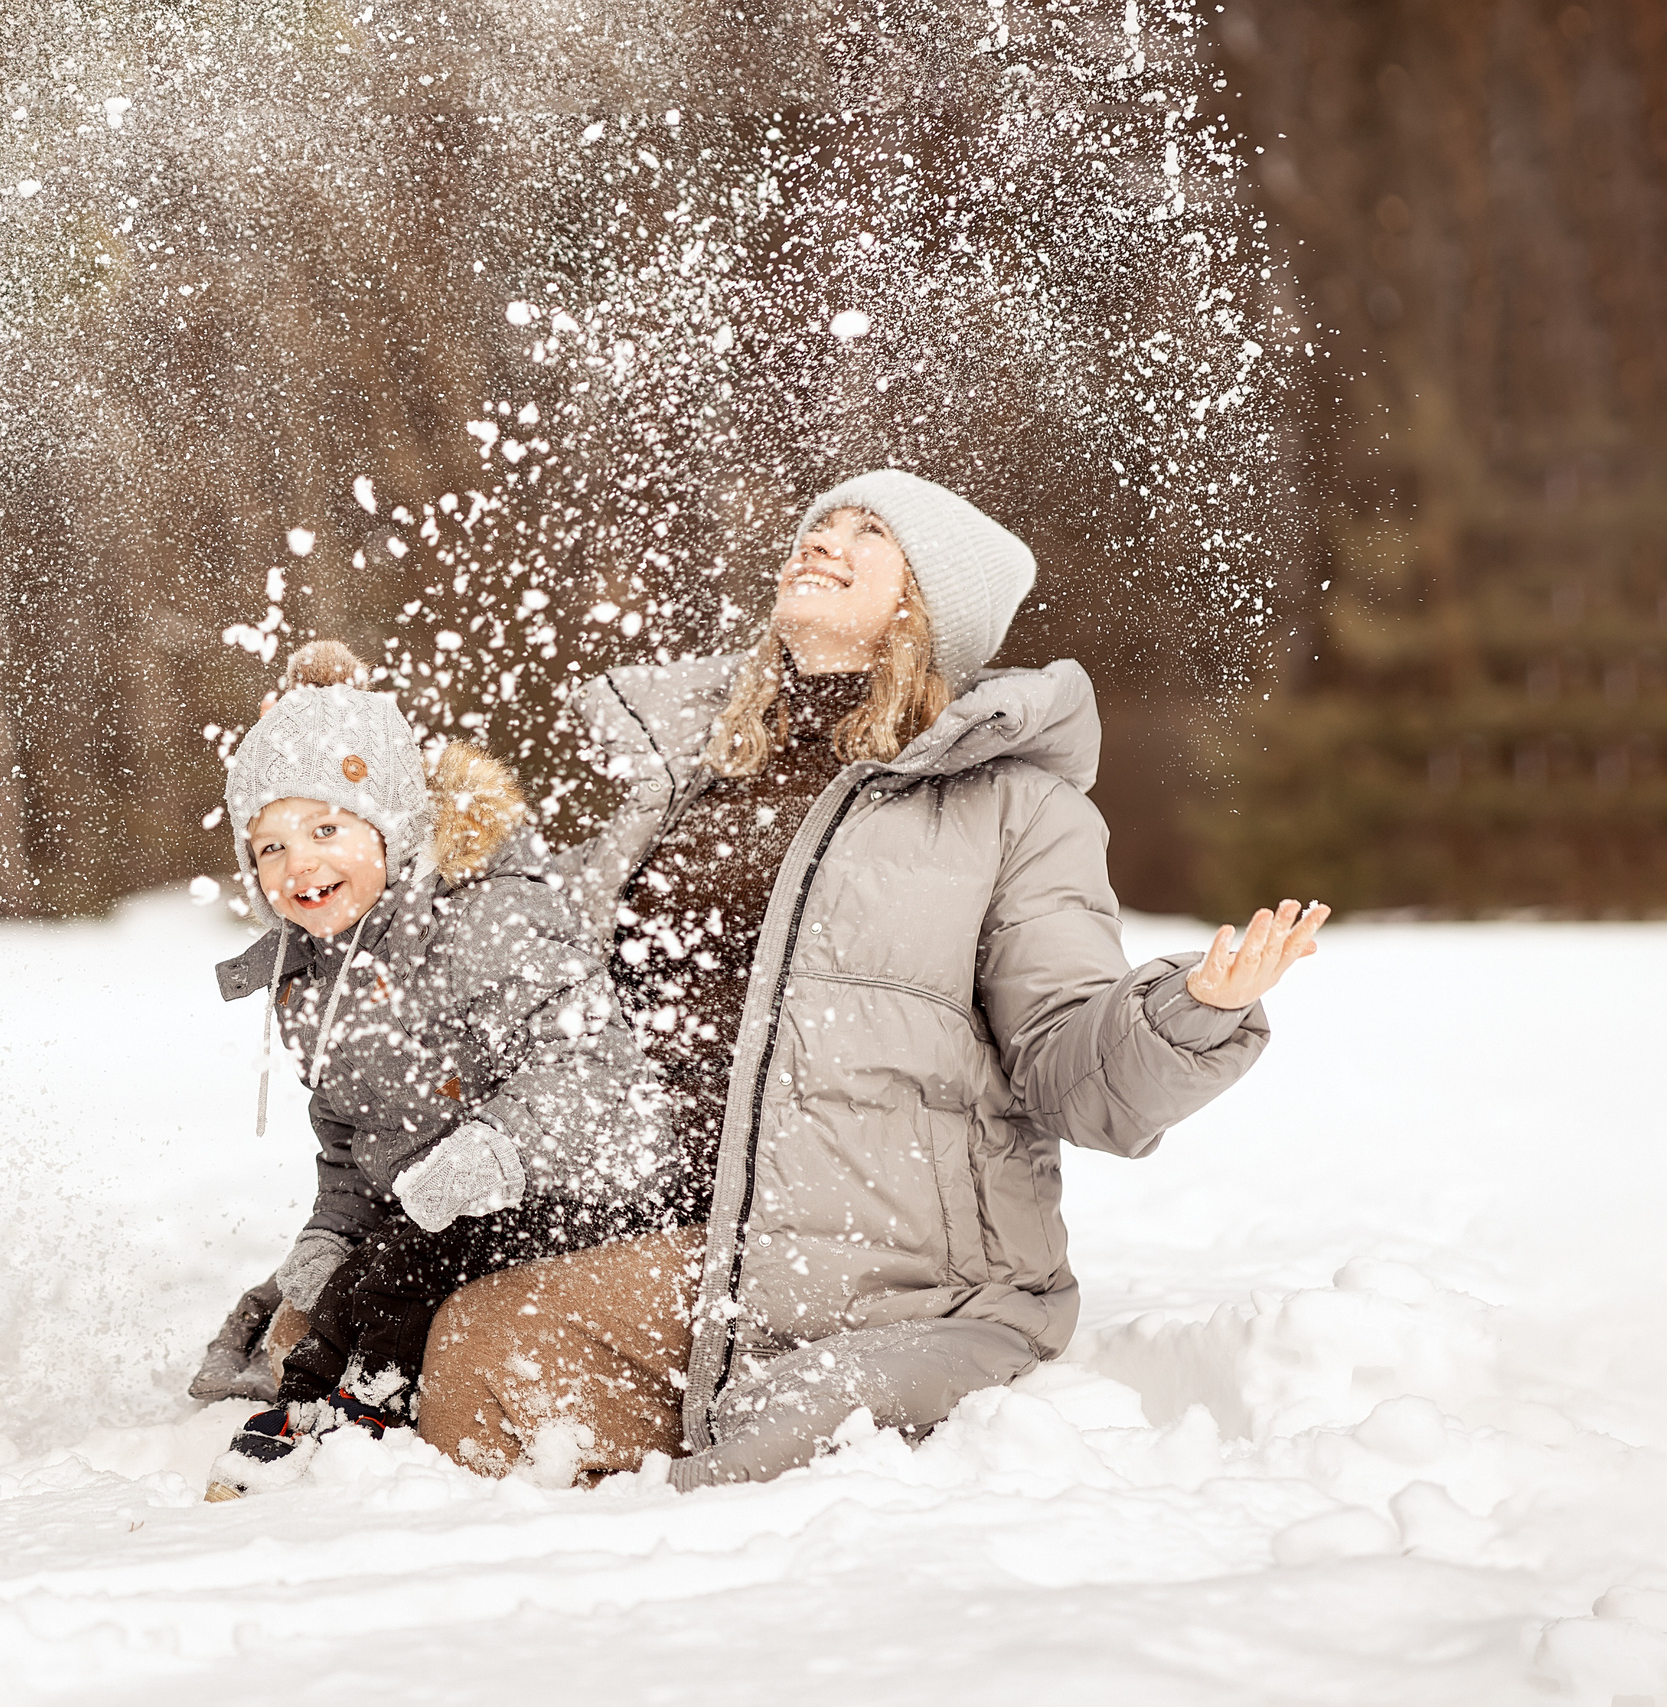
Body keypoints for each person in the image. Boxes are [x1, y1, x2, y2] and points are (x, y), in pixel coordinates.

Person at [412, 468, 1328, 1488]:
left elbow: (1067, 1063)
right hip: (669, 1215)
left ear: (925, 604)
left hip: (877, 1252)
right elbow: (553, 986)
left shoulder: (1013, 808)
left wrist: (1188, 1013)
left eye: (868, 535)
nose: (823, 541)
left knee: (494, 1348)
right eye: (818, 525)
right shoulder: (696, 776)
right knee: (410, 1308)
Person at [198, 641, 675, 1500]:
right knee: (353, 1277)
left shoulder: (483, 911)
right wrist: (327, 1232)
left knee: (404, 1266)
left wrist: (494, 1148)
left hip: (574, 1189)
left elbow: (590, 1066)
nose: (297, 863)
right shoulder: (308, 976)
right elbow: (350, 1144)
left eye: (326, 830)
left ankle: (348, 1411)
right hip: (431, 1206)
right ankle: (317, 1394)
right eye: (267, 847)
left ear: (392, 823)